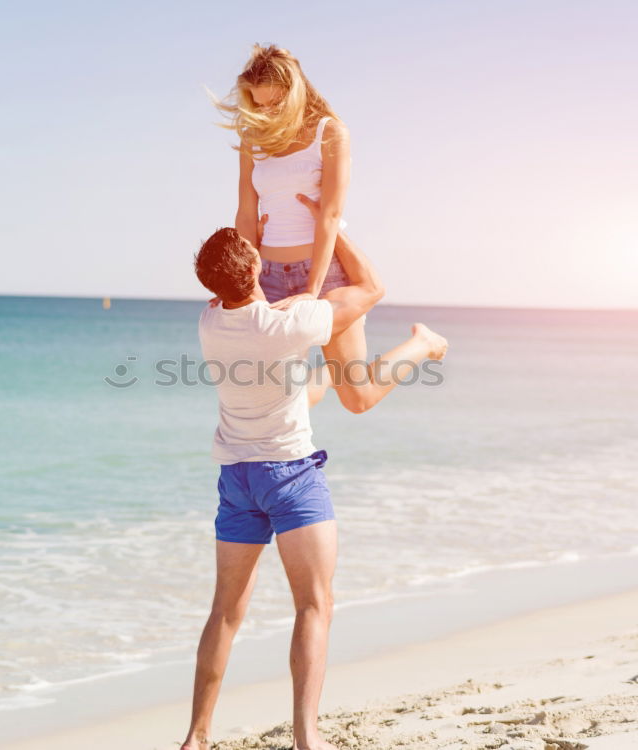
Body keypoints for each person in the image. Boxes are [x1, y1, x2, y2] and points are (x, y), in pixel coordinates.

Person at [181, 201, 447, 750]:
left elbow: (248, 299)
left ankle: (197, 737)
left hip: (237, 478)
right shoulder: (291, 321)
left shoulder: (210, 321)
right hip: (290, 478)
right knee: (314, 605)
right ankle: (307, 739)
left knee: (225, 613)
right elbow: (371, 287)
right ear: (255, 271)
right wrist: (334, 227)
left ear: (212, 287)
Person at [213, 42, 427, 413]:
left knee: (357, 399)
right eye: (258, 104)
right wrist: (238, 284)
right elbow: (246, 215)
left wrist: (313, 290)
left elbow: (329, 214)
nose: (266, 111)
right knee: (273, 399)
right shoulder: (253, 139)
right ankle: (326, 373)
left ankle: (424, 342)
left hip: (325, 277)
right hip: (270, 278)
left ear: (294, 92)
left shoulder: (329, 133)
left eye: (274, 103)